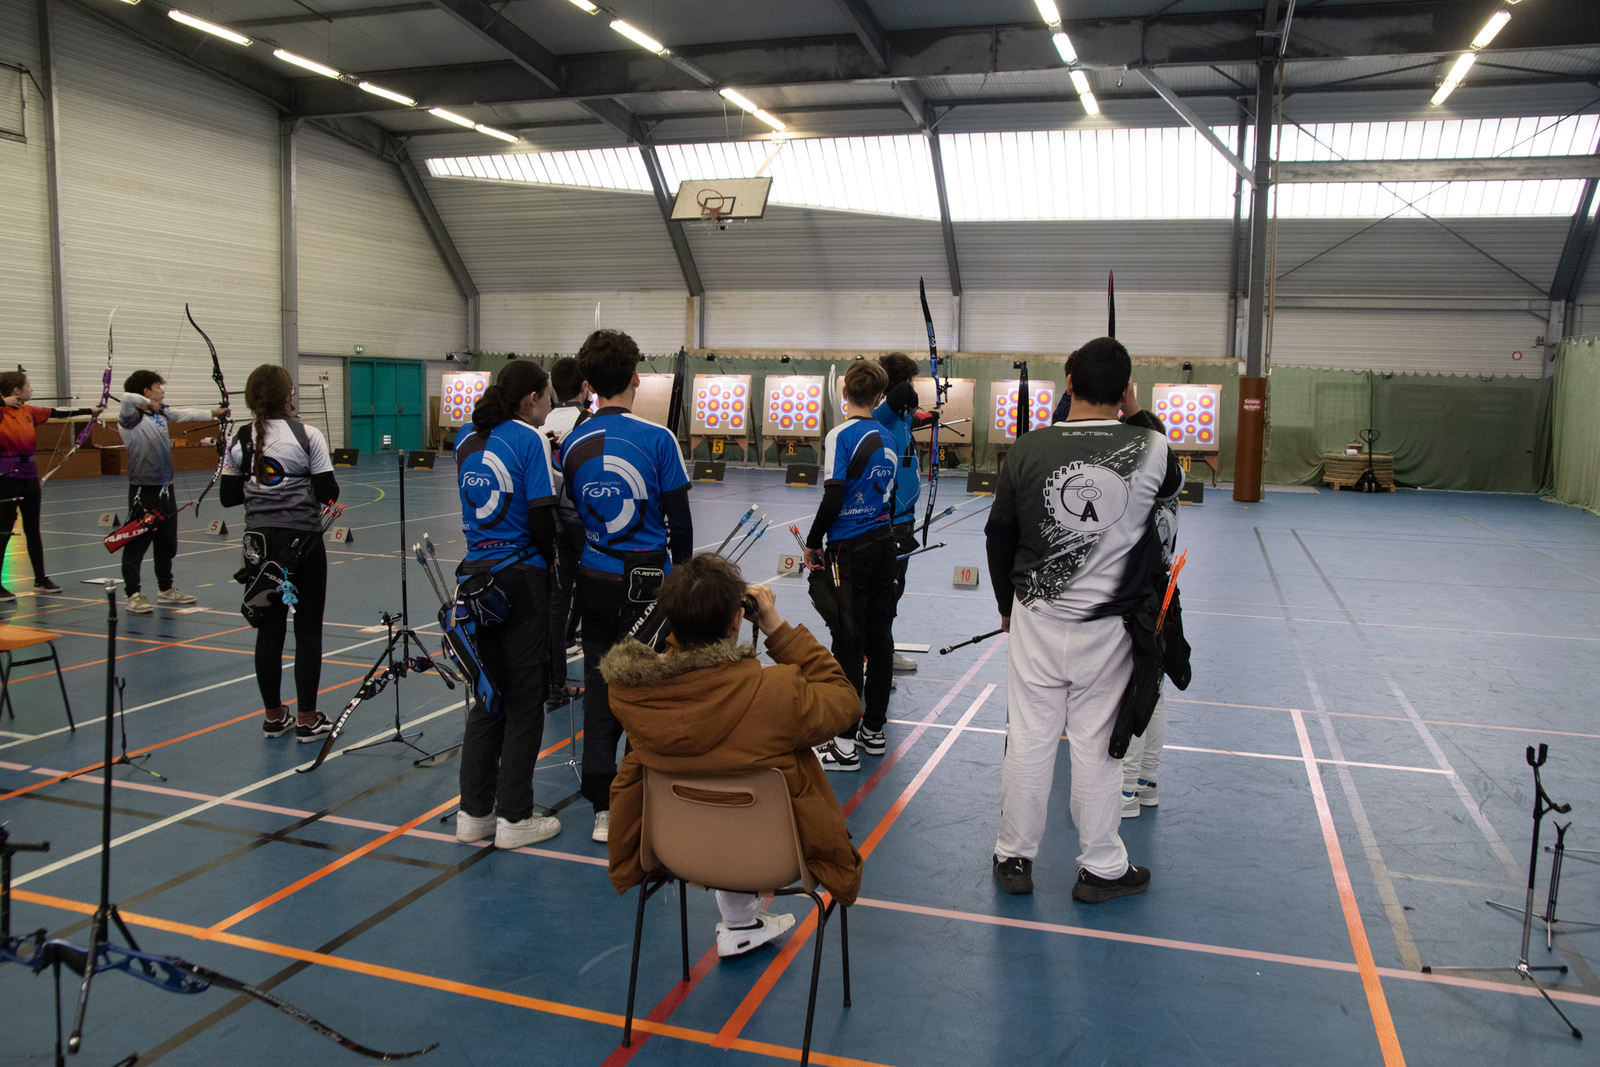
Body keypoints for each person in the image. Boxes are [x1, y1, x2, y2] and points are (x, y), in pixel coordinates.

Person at [985, 336, 1181, 902]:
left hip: (1036, 618)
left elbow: (999, 535)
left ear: (1069, 383)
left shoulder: (1029, 447)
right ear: (1124, 390)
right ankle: (1101, 868)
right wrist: (1134, 410)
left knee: (1029, 738)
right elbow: (1172, 490)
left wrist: (1005, 607)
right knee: (1098, 748)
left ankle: (1013, 857)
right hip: (1110, 629)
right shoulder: (1152, 447)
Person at [602, 554, 863, 957]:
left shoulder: (631, 696)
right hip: (775, 858)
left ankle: (741, 921)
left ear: (671, 621)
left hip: (679, 852)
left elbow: (683, 679)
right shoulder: (776, 695)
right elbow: (845, 700)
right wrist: (776, 628)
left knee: (716, 772)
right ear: (738, 619)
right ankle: (742, 919)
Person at [562, 330, 693, 844]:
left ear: (589, 384)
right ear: (637, 378)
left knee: (601, 688)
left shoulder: (572, 442)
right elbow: (680, 524)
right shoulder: (658, 439)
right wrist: (682, 585)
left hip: (594, 580)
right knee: (649, 689)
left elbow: (575, 514)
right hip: (649, 588)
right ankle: (643, 795)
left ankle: (604, 806)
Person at [450, 359, 562, 849]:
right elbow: (540, 522)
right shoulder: (528, 439)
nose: (551, 404)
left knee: (489, 694)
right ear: (531, 398)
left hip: (475, 577)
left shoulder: (465, 438)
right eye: (548, 396)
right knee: (525, 700)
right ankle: (515, 817)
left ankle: (474, 814)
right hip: (519, 578)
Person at [220, 365, 339, 742]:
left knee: (269, 629)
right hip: (302, 542)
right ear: (287, 396)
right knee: (307, 629)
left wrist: (260, 482)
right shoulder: (306, 435)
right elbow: (329, 493)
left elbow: (228, 497)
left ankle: (274, 716)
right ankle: (306, 719)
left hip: (258, 545)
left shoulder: (241, 438)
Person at [803, 360, 897, 772]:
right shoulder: (888, 436)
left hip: (850, 551)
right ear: (879, 397)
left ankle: (843, 744)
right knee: (879, 637)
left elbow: (834, 497)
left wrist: (813, 542)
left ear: (844, 393)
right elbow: (889, 495)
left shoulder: (840, 435)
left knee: (847, 640)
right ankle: (872, 730)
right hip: (883, 545)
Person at [118, 370, 229, 614]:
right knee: (137, 542)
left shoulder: (161, 413)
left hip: (166, 487)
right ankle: (133, 594)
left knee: (166, 542)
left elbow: (184, 413)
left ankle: (166, 590)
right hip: (144, 490)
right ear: (146, 391)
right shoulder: (130, 417)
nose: (162, 390)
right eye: (158, 386)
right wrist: (149, 405)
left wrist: (214, 413)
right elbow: (126, 397)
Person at [0, 371, 104, 600]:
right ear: (16, 390)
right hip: (6, 478)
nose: (32, 389)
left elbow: (57, 411)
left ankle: (40, 579)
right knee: (3, 531)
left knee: (33, 529)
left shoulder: (28, 411)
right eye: (28, 386)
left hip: (29, 477)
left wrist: (90, 410)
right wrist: (2, 402)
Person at [874, 353, 938, 676]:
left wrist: (929, 416)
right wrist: (909, 394)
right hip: (892, 520)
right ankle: (876, 656)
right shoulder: (881, 415)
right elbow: (901, 396)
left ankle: (882, 650)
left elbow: (913, 420)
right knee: (885, 591)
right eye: (911, 380)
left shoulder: (898, 419)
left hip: (904, 519)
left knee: (894, 589)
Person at [543, 356, 591, 708]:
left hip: (552, 522)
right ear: (585, 386)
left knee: (558, 603)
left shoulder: (540, 421)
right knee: (597, 592)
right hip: (582, 521)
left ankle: (554, 684)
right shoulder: (588, 422)